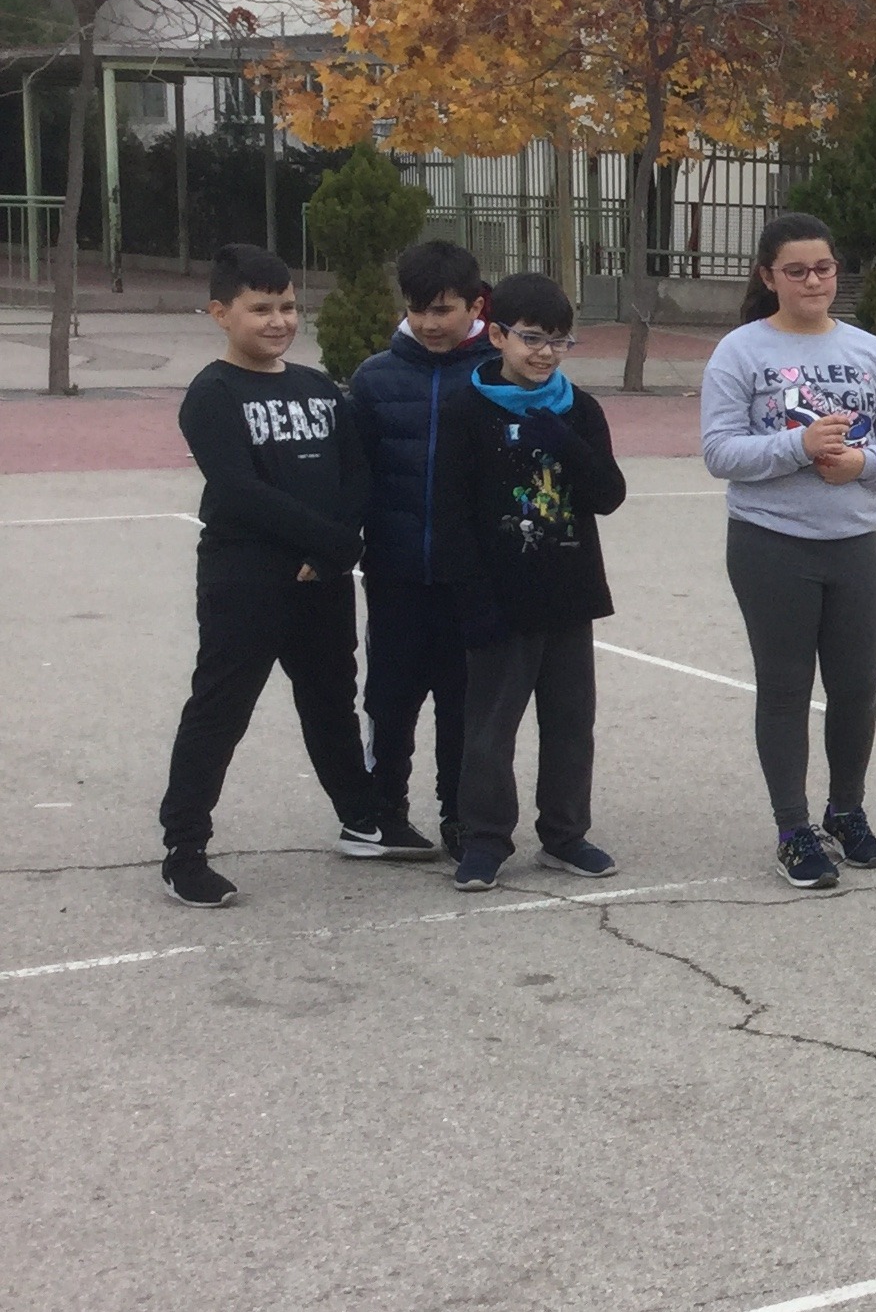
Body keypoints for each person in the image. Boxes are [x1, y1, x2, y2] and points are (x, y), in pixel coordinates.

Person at [155, 245, 419, 906]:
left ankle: (362, 820)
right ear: (221, 313)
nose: (278, 321)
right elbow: (241, 491)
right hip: (245, 579)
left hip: (320, 577)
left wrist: (333, 552)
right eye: (260, 309)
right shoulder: (212, 394)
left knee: (330, 698)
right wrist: (333, 541)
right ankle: (184, 850)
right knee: (220, 709)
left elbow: (355, 473)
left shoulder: (317, 388)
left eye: (288, 306)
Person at [697, 211, 876, 891]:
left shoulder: (869, 351)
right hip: (770, 544)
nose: (812, 281)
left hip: (854, 543)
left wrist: (863, 465)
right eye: (795, 271)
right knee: (786, 687)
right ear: (768, 277)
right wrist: (796, 446)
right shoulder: (740, 351)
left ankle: (845, 810)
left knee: (856, 688)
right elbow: (720, 451)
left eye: (823, 268)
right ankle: (793, 829)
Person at [437, 273, 628, 892]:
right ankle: (485, 838)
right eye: (532, 338)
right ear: (497, 335)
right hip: (499, 600)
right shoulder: (466, 409)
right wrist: (473, 601)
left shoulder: (579, 409)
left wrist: (566, 443)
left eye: (560, 341)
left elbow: (609, 495)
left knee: (571, 724)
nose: (546, 353)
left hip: (568, 595)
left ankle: (565, 834)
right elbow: (451, 514)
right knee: (490, 729)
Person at [346, 238, 489, 850]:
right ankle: (384, 810)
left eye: (444, 309)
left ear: (474, 306)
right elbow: (353, 478)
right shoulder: (374, 378)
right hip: (396, 571)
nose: (430, 323)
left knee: (464, 701)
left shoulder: (494, 375)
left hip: (470, 576)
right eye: (418, 308)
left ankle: (460, 814)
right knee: (390, 696)